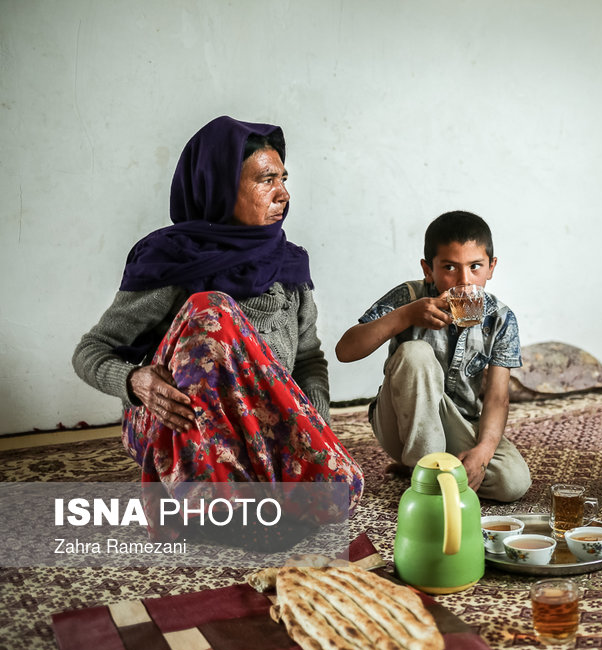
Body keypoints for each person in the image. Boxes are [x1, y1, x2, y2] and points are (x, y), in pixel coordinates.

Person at [72, 116, 364, 527]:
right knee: (212, 308)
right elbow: (90, 351)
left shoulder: (288, 263)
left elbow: (310, 360)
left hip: (259, 427)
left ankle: (243, 494)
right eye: (266, 180)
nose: (283, 194)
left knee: (336, 490)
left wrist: (314, 428)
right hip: (179, 427)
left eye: (284, 178)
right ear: (222, 188)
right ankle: (206, 495)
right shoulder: (171, 259)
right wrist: (136, 382)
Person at [336, 211, 531, 502]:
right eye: (450, 267)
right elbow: (345, 351)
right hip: (399, 422)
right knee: (415, 353)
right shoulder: (409, 297)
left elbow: (496, 398)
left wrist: (483, 452)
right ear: (429, 269)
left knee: (512, 482)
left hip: (460, 421)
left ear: (491, 267)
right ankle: (426, 474)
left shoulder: (501, 319)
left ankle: (429, 467)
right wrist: (406, 315)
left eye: (475, 267)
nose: (465, 280)